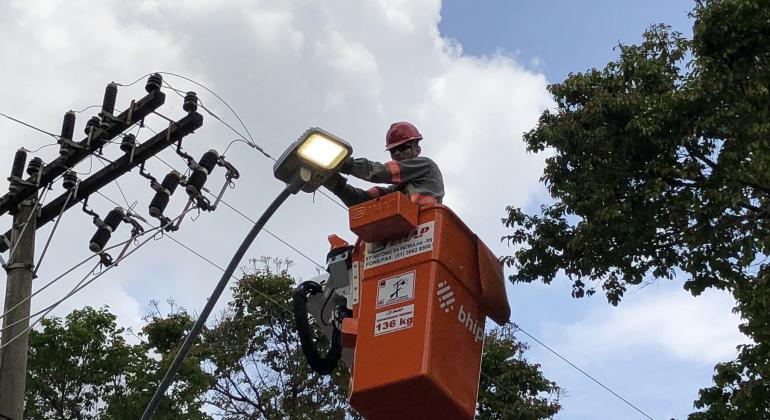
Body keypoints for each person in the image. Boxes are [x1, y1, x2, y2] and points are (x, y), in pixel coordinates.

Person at [325, 122, 444, 207]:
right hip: (404, 235)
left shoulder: (426, 165)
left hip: (424, 227)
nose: (397, 153)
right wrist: (332, 182)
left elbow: (380, 172)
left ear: (417, 150)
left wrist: (338, 162)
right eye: (393, 150)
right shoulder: (397, 190)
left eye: (403, 147)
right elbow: (363, 201)